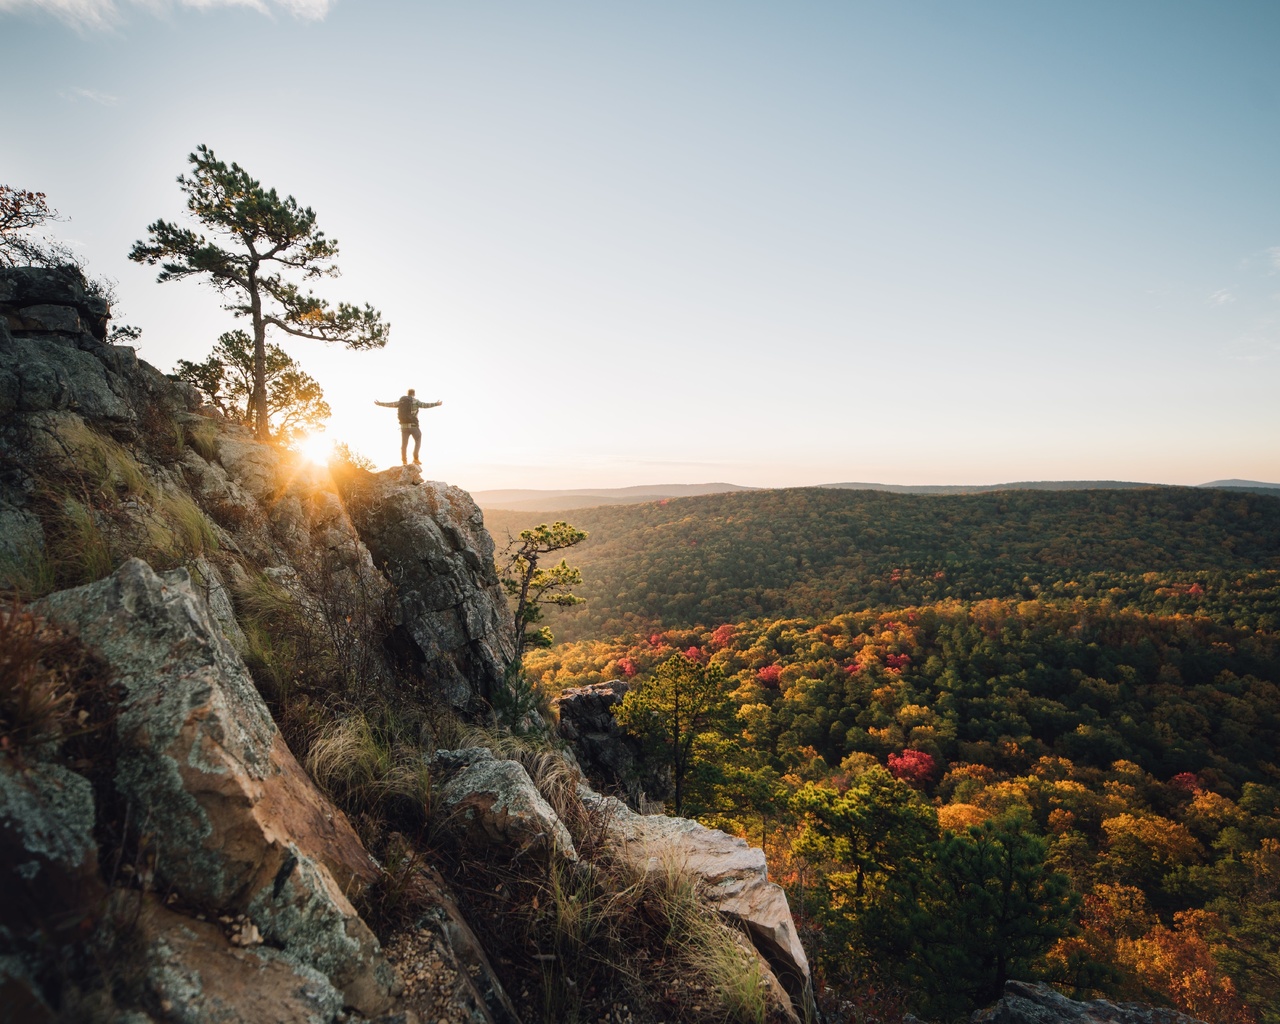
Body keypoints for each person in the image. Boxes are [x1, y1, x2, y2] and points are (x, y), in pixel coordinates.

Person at [374, 388, 443, 465]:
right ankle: (415, 459)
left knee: (404, 444)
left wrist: (379, 403)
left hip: (403, 427)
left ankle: (404, 461)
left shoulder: (401, 401)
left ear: (407, 394)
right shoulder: (416, 401)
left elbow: (391, 404)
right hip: (413, 426)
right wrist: (436, 404)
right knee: (418, 440)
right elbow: (425, 405)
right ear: (414, 394)